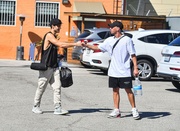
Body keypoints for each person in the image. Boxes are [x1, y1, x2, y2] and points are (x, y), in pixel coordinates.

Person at [82, 21, 140, 120]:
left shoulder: (127, 40)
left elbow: (133, 55)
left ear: (118, 28)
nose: (110, 29)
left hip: (124, 71)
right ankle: (116, 110)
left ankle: (134, 109)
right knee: (115, 91)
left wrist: (135, 68)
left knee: (128, 90)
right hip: (113, 71)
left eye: (112, 27)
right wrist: (87, 45)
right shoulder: (109, 40)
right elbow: (97, 47)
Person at [32, 18, 82, 115]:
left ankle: (57, 108)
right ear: (53, 26)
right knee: (41, 87)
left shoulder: (54, 36)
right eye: (58, 26)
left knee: (57, 87)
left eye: (60, 26)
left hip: (54, 67)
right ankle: (35, 106)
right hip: (46, 67)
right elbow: (61, 44)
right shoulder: (49, 36)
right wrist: (76, 44)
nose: (60, 28)